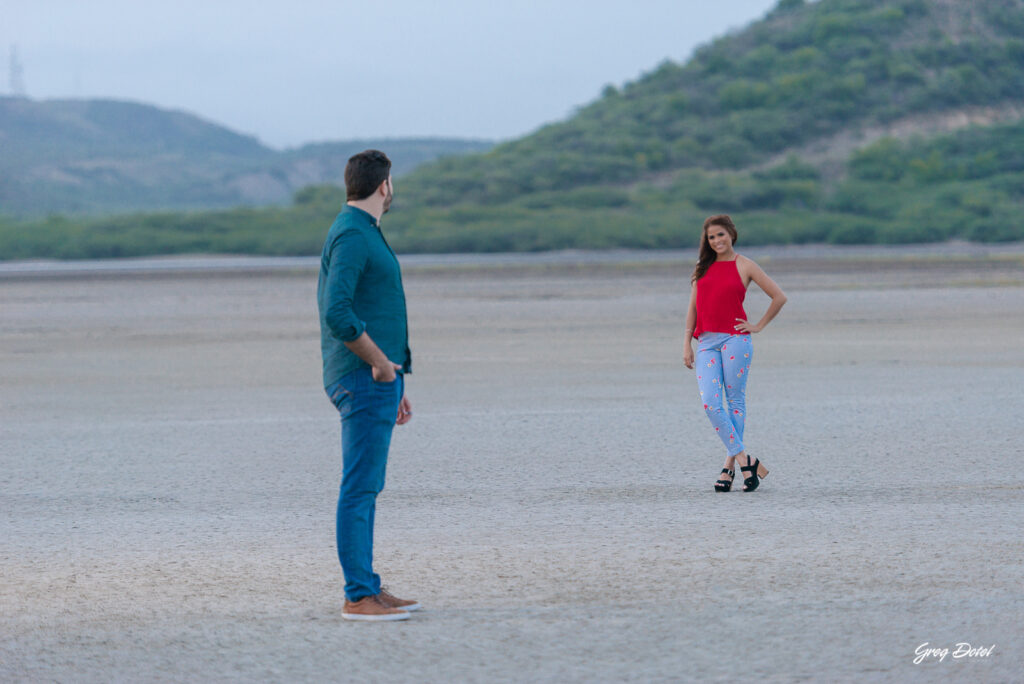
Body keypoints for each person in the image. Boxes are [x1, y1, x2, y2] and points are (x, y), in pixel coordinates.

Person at [317, 150, 418, 621]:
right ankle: (358, 595)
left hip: (378, 379)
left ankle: (369, 586)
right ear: (384, 186)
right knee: (359, 487)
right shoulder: (353, 235)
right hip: (363, 376)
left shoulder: (363, 231)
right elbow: (337, 312)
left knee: (368, 486)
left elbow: (374, 308)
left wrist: (394, 380)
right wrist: (379, 365)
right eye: (391, 182)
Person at [683, 215, 787, 492]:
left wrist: (758, 325)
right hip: (705, 342)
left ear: (731, 234)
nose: (717, 241)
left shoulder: (745, 265)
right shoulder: (701, 268)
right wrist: (686, 344)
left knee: (735, 401)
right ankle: (745, 460)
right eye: (711, 237)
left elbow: (779, 296)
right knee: (711, 404)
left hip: (735, 340)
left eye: (721, 234)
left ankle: (728, 467)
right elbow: (693, 307)